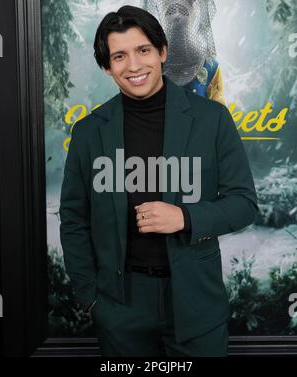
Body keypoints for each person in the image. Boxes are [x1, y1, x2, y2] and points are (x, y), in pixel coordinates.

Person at [59, 5, 258, 357]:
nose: (134, 66)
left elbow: (243, 203)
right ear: (107, 66)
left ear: (162, 52)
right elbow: (74, 219)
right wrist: (89, 298)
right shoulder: (89, 132)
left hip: (196, 302)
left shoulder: (212, 119)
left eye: (143, 50)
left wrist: (185, 217)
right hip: (120, 307)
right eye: (119, 56)